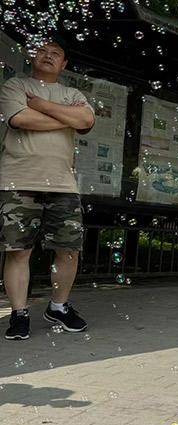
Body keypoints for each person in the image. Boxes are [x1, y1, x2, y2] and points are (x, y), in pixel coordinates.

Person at [0, 37, 95, 340]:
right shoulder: (15, 85)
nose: (49, 56)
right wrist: (66, 119)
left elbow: (87, 119)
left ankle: (58, 306)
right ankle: (18, 313)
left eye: (56, 54)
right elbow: (19, 118)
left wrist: (40, 105)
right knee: (18, 251)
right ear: (33, 56)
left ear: (64, 64)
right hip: (17, 180)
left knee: (68, 251)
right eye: (43, 51)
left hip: (63, 185)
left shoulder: (72, 92)